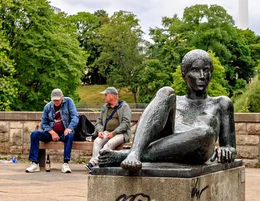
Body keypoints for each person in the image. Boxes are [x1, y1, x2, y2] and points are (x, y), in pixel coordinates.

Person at [98, 49, 236, 172]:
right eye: (195, 70)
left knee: (205, 131)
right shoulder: (176, 101)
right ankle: (135, 153)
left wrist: (227, 150)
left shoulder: (222, 103)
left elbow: (230, 147)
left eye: (206, 70)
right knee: (166, 91)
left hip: (199, 149)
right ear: (184, 74)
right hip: (164, 144)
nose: (202, 76)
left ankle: (126, 155)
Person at [26, 89, 79, 174]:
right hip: (50, 133)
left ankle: (65, 163)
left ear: (62, 97)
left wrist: (69, 128)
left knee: (70, 135)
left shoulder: (69, 102)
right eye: (54, 100)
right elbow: (43, 123)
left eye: (58, 99)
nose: (56, 101)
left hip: (64, 132)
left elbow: (75, 117)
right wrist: (51, 131)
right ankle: (34, 163)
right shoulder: (48, 106)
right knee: (34, 134)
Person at [85, 86, 132, 172]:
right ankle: (97, 165)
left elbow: (125, 124)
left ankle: (93, 163)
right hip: (107, 132)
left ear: (112, 95)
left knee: (109, 144)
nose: (104, 97)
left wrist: (114, 133)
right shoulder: (105, 107)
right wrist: (100, 131)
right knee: (97, 141)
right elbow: (99, 122)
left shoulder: (124, 107)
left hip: (120, 134)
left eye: (106, 95)